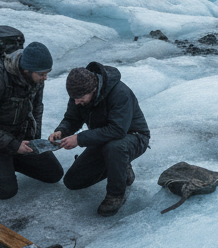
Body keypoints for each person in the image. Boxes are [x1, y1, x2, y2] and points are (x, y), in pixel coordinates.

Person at [0, 41, 64, 199]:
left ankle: (10, 163)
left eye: (47, 73)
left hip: (20, 139)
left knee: (54, 174)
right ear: (26, 70)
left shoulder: (36, 80)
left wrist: (35, 140)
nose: (45, 78)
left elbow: (37, 108)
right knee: (5, 191)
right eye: (42, 74)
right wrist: (13, 145)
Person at [51, 62, 150, 216]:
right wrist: (61, 131)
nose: (76, 102)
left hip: (133, 137)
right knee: (73, 181)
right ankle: (121, 167)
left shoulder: (119, 93)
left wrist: (80, 138)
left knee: (115, 147)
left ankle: (116, 195)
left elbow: (118, 130)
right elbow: (72, 118)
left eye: (80, 98)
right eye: (73, 98)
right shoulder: (78, 94)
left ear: (93, 90)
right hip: (103, 139)